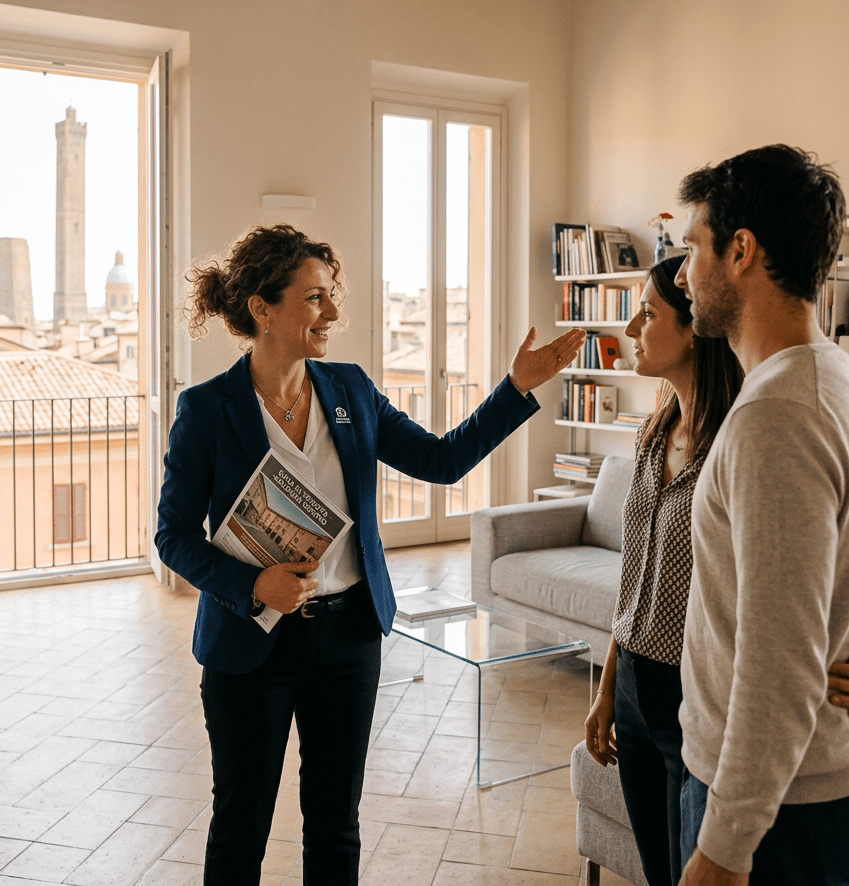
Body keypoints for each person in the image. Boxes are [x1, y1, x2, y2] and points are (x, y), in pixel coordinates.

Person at [154, 223, 584, 886]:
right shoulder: (207, 409)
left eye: (331, 296)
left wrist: (515, 389)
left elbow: (440, 461)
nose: (332, 312)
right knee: (241, 824)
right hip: (248, 645)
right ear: (262, 310)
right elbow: (173, 535)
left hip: (348, 640)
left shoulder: (351, 388)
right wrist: (250, 585)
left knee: (335, 824)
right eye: (315, 297)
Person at [673, 145, 849, 886]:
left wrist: (725, 849)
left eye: (692, 249)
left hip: (772, 814)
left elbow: (777, 664)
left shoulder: (779, 412)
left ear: (741, 251)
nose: (684, 275)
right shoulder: (831, 375)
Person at [584, 255, 743, 886]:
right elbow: (634, 579)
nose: (630, 328)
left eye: (648, 313)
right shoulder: (655, 431)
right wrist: (604, 691)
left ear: (695, 328)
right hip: (632, 691)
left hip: (696, 696)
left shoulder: (734, 443)